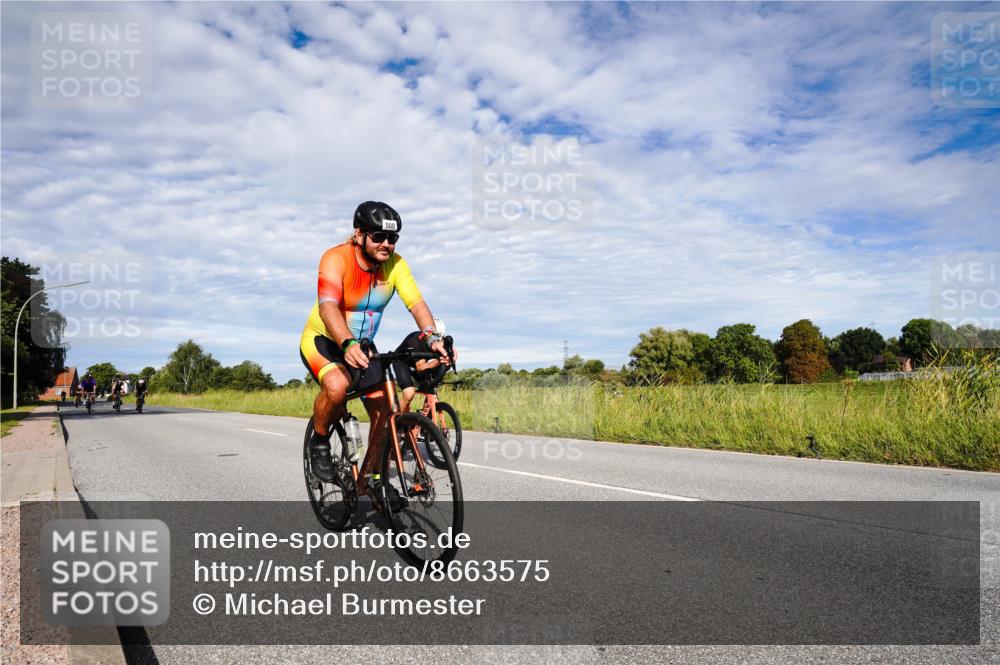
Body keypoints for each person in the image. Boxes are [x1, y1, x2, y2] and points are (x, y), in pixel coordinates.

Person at [299, 201, 455, 483]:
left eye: (392, 238)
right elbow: (328, 306)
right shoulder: (336, 258)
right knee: (337, 386)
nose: (386, 244)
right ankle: (319, 442)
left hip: (363, 347)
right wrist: (346, 343)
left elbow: (416, 304)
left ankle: (372, 480)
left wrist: (432, 337)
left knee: (387, 412)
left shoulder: (396, 265)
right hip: (325, 340)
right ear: (359, 234)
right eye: (379, 236)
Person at [393, 318, 452, 413]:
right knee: (409, 394)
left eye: (440, 338)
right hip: (401, 362)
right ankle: (396, 418)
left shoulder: (438, 342)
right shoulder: (417, 341)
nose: (437, 341)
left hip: (416, 363)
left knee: (430, 389)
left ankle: (424, 419)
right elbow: (421, 367)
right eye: (436, 338)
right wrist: (438, 361)